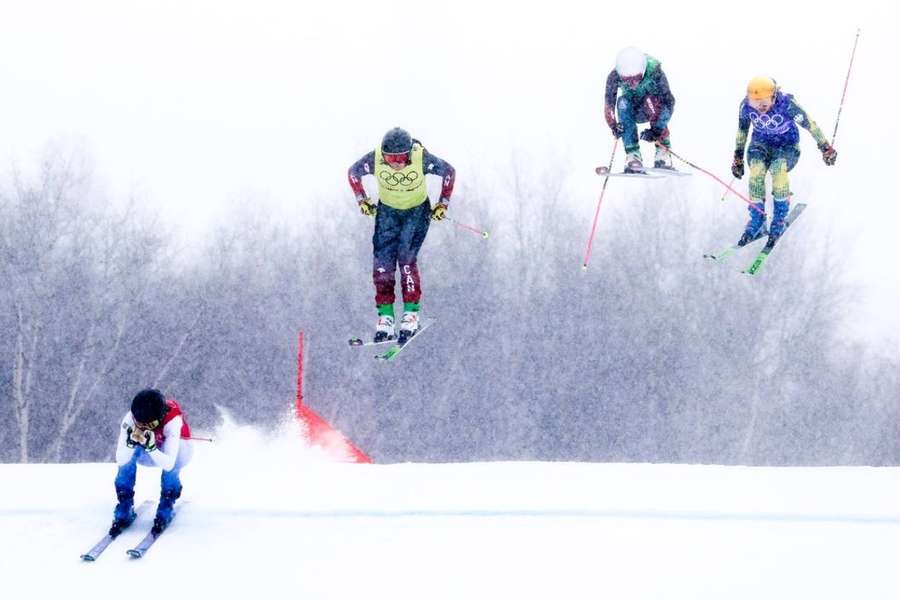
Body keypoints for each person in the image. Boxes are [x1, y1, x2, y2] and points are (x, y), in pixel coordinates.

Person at [348, 127, 456, 343]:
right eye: (391, 158)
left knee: (405, 258)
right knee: (383, 263)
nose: (396, 163)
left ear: (408, 153)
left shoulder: (420, 158)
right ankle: (386, 316)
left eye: (400, 158)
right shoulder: (375, 159)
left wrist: (442, 203)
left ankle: (410, 313)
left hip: (416, 213)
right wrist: (362, 200)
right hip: (388, 212)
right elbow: (353, 173)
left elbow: (448, 172)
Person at [732, 76, 837, 246]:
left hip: (787, 147)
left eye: (764, 102)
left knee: (778, 169)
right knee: (756, 173)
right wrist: (737, 158)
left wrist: (825, 147)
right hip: (760, 145)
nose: (760, 107)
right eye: (755, 102)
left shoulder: (787, 105)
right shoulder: (745, 107)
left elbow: (810, 124)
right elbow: (742, 131)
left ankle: (779, 220)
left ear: (774, 96)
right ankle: (757, 221)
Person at [109, 388, 193, 537]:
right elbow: (120, 459)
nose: (143, 428)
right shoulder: (130, 419)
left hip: (172, 455)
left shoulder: (173, 421)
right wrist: (130, 444)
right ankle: (125, 505)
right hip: (147, 453)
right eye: (139, 423)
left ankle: (167, 503)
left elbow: (169, 464)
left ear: (159, 418)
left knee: (177, 454)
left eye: (150, 425)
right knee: (126, 459)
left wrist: (152, 448)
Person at [604, 46, 676, 173]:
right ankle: (633, 155)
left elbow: (669, 103)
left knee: (649, 100)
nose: (632, 84)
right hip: (633, 110)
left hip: (653, 109)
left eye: (636, 78)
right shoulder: (614, 76)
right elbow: (609, 105)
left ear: (642, 72)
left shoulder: (655, 72)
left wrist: (657, 129)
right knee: (622, 102)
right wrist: (613, 125)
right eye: (627, 80)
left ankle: (663, 152)